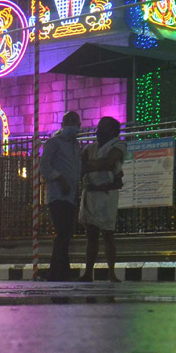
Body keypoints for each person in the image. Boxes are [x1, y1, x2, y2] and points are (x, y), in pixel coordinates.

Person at [78, 116, 126, 282]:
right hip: (90, 193)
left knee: (108, 234)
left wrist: (88, 166)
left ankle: (111, 273)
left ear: (112, 131)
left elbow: (107, 162)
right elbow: (81, 164)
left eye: (102, 127)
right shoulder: (91, 148)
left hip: (107, 195)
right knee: (91, 234)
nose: (98, 130)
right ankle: (87, 273)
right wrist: (92, 165)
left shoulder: (118, 145)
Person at [40, 111, 83, 281]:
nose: (72, 125)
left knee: (65, 233)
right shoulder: (54, 143)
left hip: (71, 195)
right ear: (63, 125)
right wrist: (59, 178)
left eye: (75, 122)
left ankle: (55, 271)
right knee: (62, 232)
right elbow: (44, 166)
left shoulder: (75, 146)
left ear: (79, 126)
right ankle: (62, 270)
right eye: (69, 122)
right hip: (57, 195)